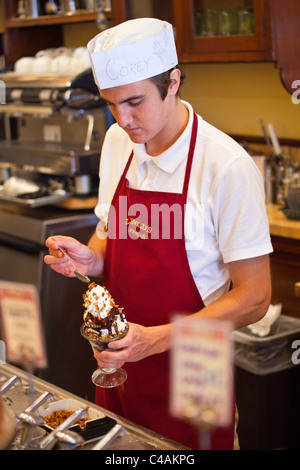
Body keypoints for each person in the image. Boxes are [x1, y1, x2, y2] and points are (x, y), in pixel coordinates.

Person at [44, 18, 273, 450]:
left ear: (173, 82)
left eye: (134, 102)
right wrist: (89, 260)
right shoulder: (117, 142)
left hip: (192, 369)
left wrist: (154, 340)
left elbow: (256, 296)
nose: (123, 120)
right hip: (119, 363)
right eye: (111, 104)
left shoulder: (225, 165)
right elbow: (108, 235)